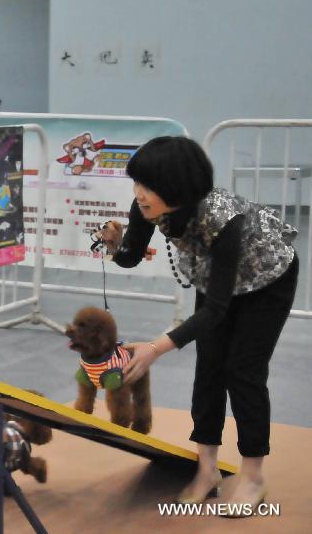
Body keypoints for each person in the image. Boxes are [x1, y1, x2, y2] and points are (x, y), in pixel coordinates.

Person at [100, 136, 297, 513]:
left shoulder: (222, 219)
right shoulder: (144, 207)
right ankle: (207, 470)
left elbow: (216, 310)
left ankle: (253, 475)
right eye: (136, 184)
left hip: (267, 279)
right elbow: (130, 257)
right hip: (216, 279)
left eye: (148, 185)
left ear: (176, 186)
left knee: (242, 371)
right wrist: (115, 246)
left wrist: (156, 348)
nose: (139, 194)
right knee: (208, 369)